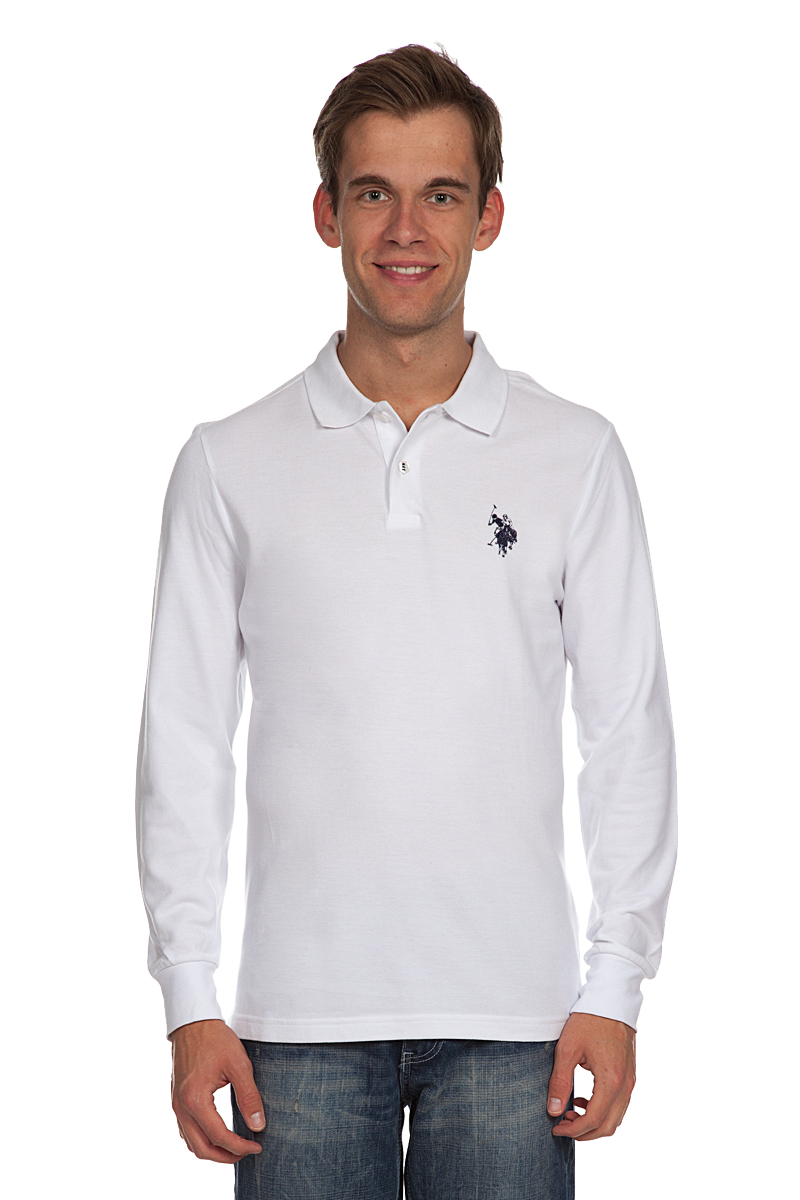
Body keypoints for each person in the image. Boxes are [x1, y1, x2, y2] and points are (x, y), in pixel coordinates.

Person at [135, 43, 677, 1200]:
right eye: (373, 192)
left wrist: (615, 985)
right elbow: (183, 741)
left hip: (516, 1022)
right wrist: (188, 998)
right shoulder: (228, 462)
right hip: (293, 1028)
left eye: (439, 194)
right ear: (326, 213)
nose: (403, 230)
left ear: (487, 217)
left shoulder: (575, 454)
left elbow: (626, 732)